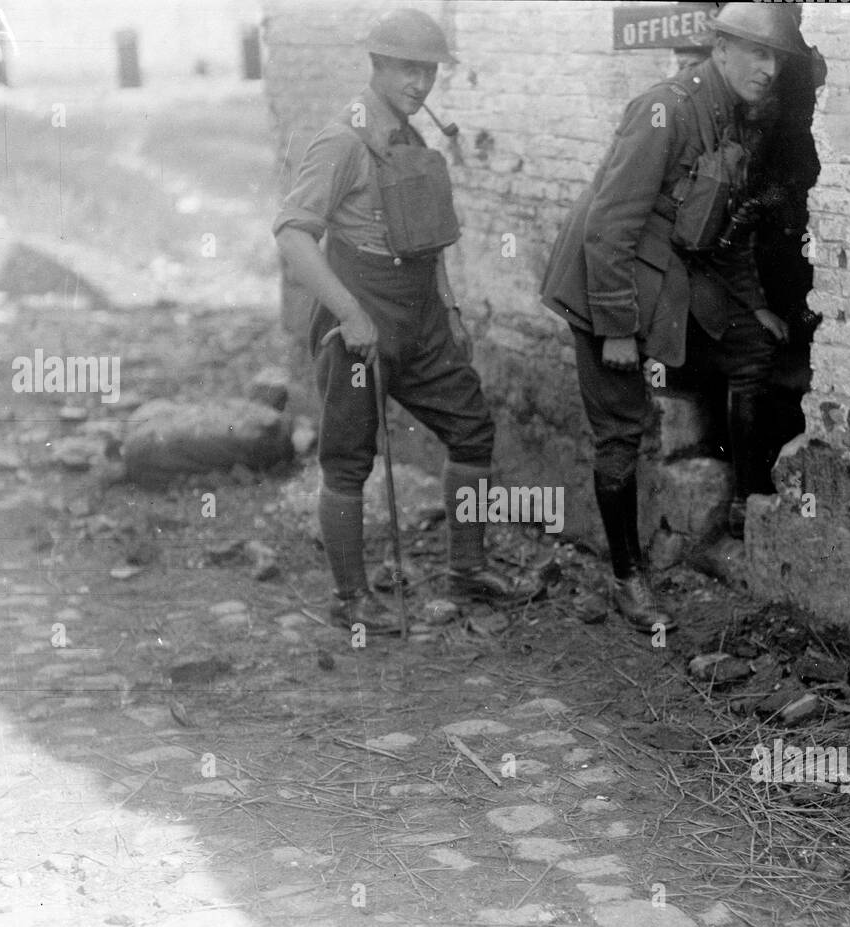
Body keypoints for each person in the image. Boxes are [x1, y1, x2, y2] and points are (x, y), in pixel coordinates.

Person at [540, 3, 809, 630]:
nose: (768, 70)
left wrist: (755, 305)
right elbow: (609, 226)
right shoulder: (664, 109)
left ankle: (743, 504)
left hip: (667, 271)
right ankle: (626, 578)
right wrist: (614, 329)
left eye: (776, 59)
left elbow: (726, 229)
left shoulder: (734, 120)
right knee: (622, 431)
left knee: (751, 348)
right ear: (720, 48)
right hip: (602, 281)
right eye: (755, 53)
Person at [274, 8, 539, 633]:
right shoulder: (344, 138)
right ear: (378, 65)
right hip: (362, 317)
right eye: (406, 70)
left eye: (428, 72)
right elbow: (292, 234)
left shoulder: (414, 136)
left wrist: (448, 308)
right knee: (348, 461)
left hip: (421, 315)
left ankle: (467, 572)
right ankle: (352, 600)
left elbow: (429, 235)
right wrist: (349, 313)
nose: (419, 84)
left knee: (472, 429)